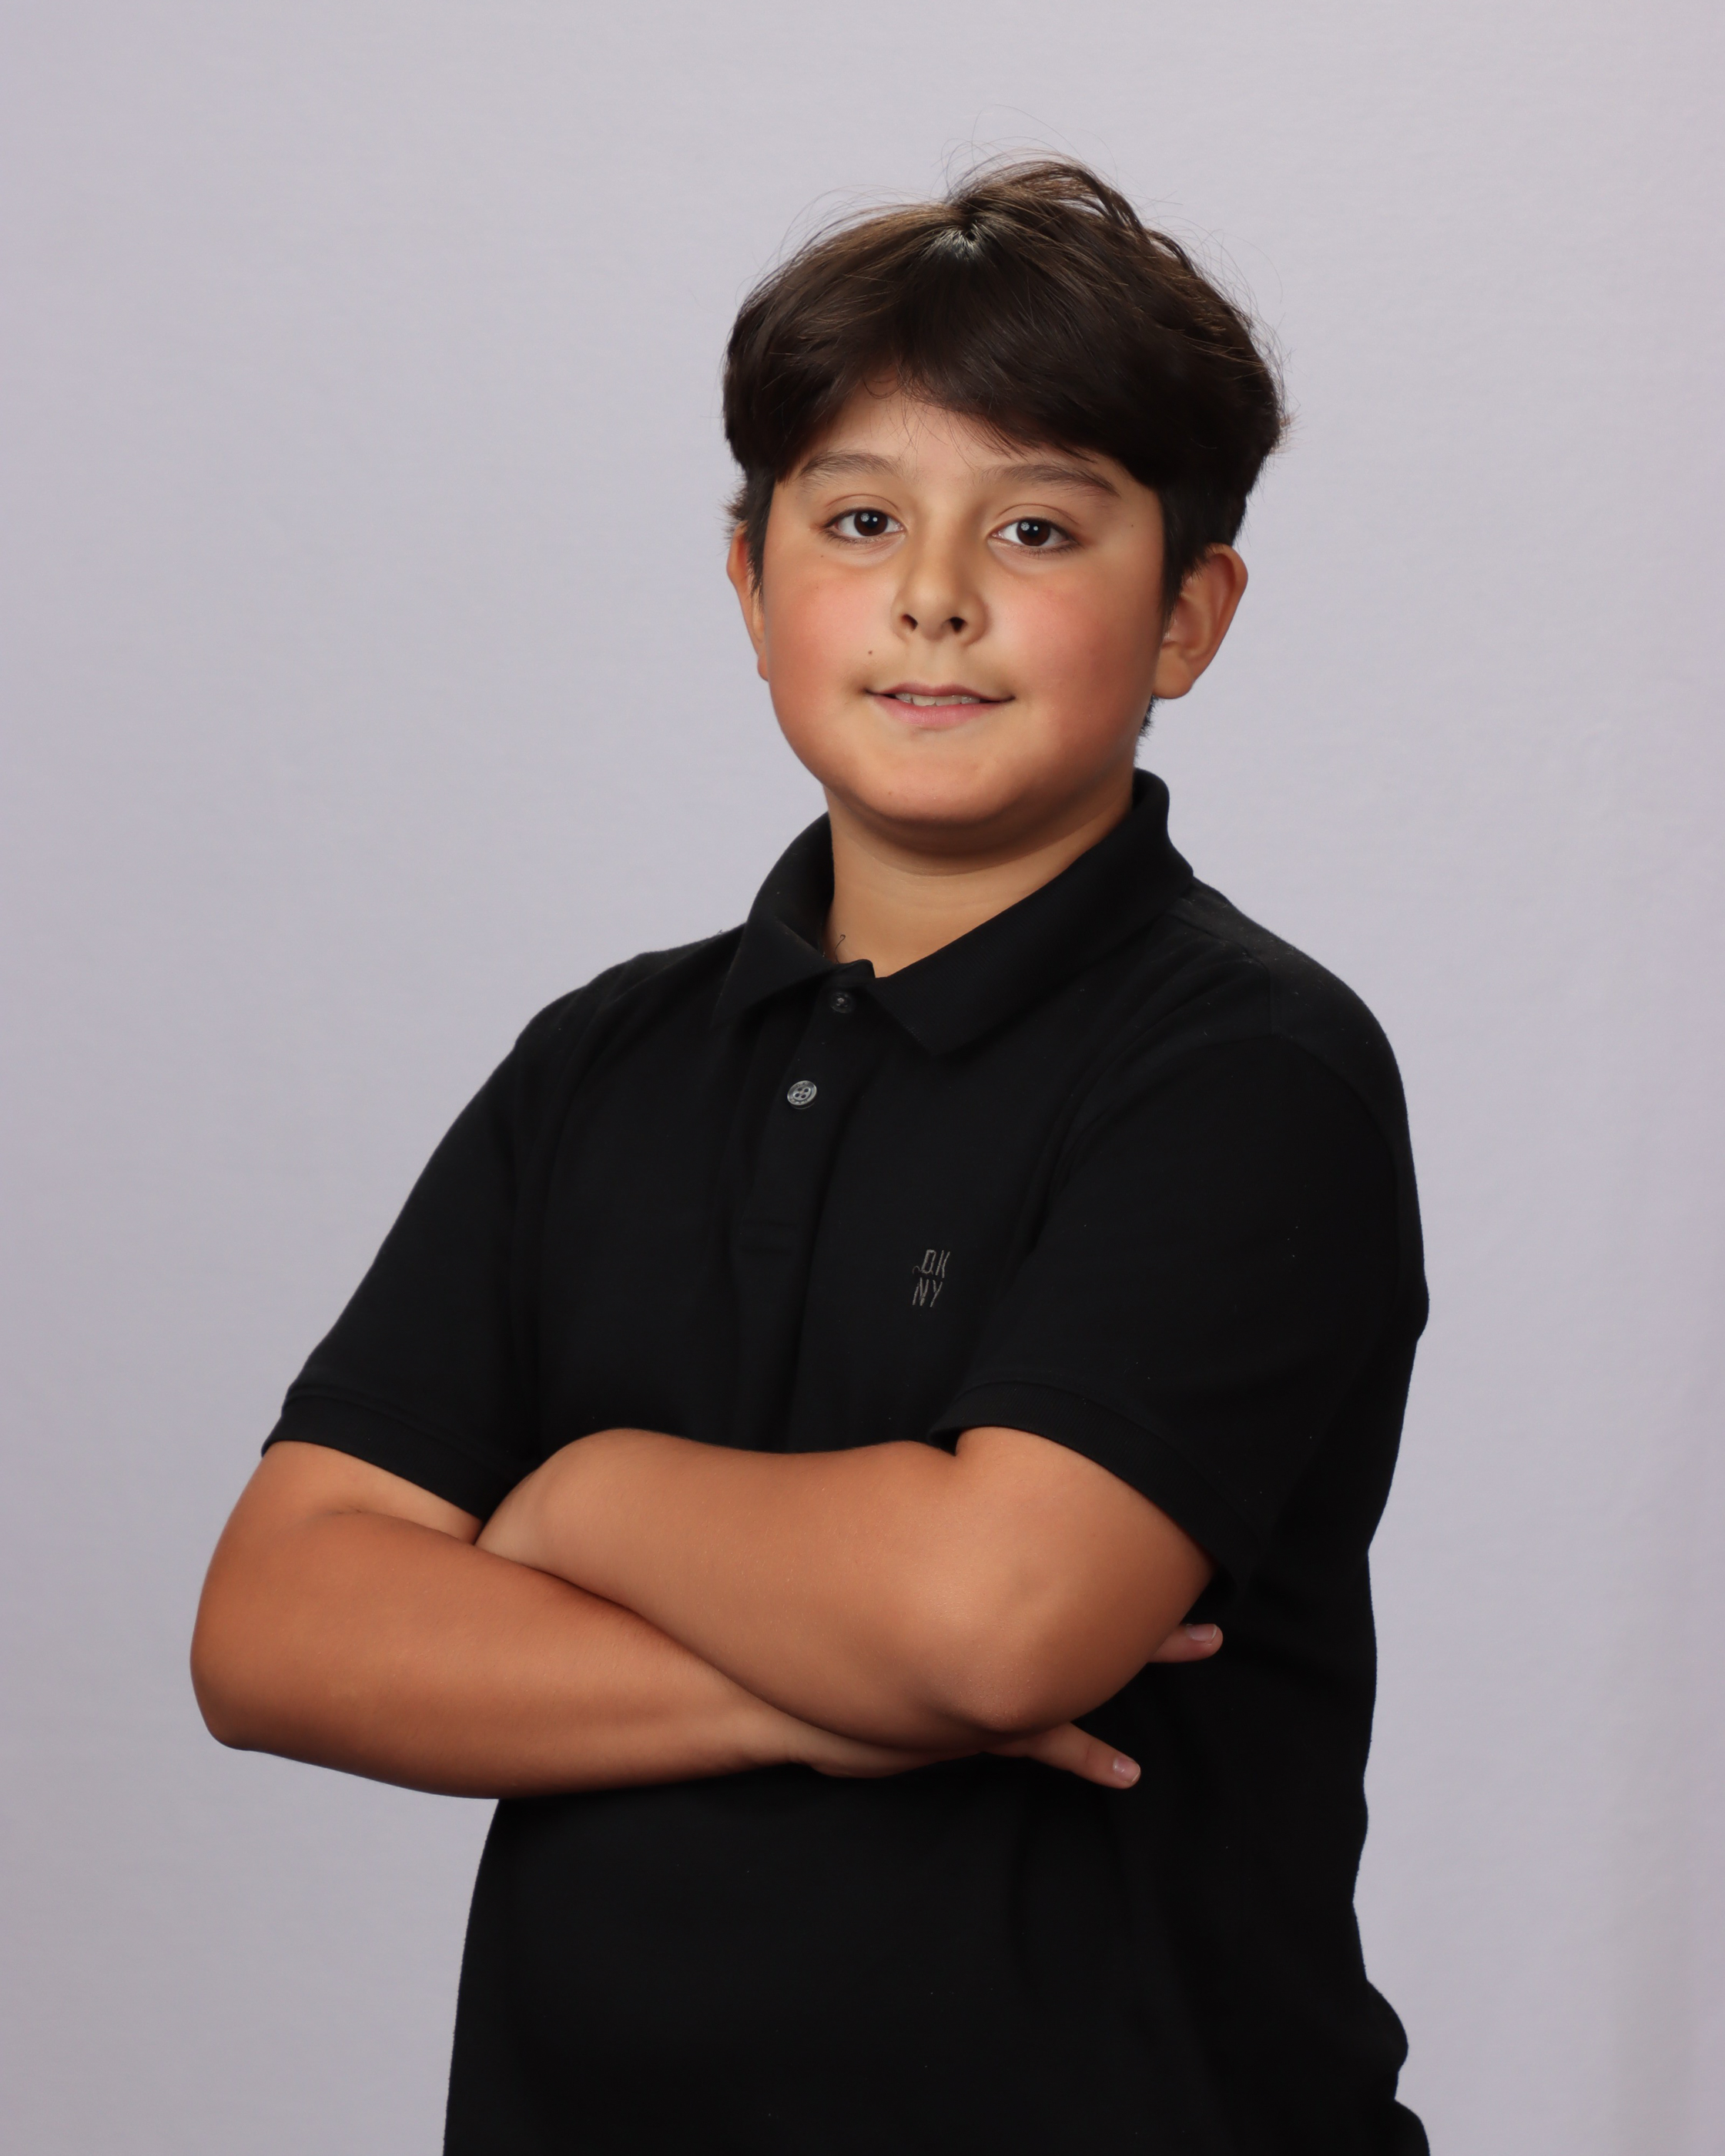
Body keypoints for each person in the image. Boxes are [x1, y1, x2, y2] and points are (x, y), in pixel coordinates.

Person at [192, 159, 1429, 2154]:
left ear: (1188, 616)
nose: (935, 593)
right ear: (753, 582)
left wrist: (581, 1494)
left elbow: (998, 1621)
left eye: (1037, 526)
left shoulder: (1245, 1068)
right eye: (861, 520)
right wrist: (814, 1695)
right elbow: (276, 1634)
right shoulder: (600, 1065)